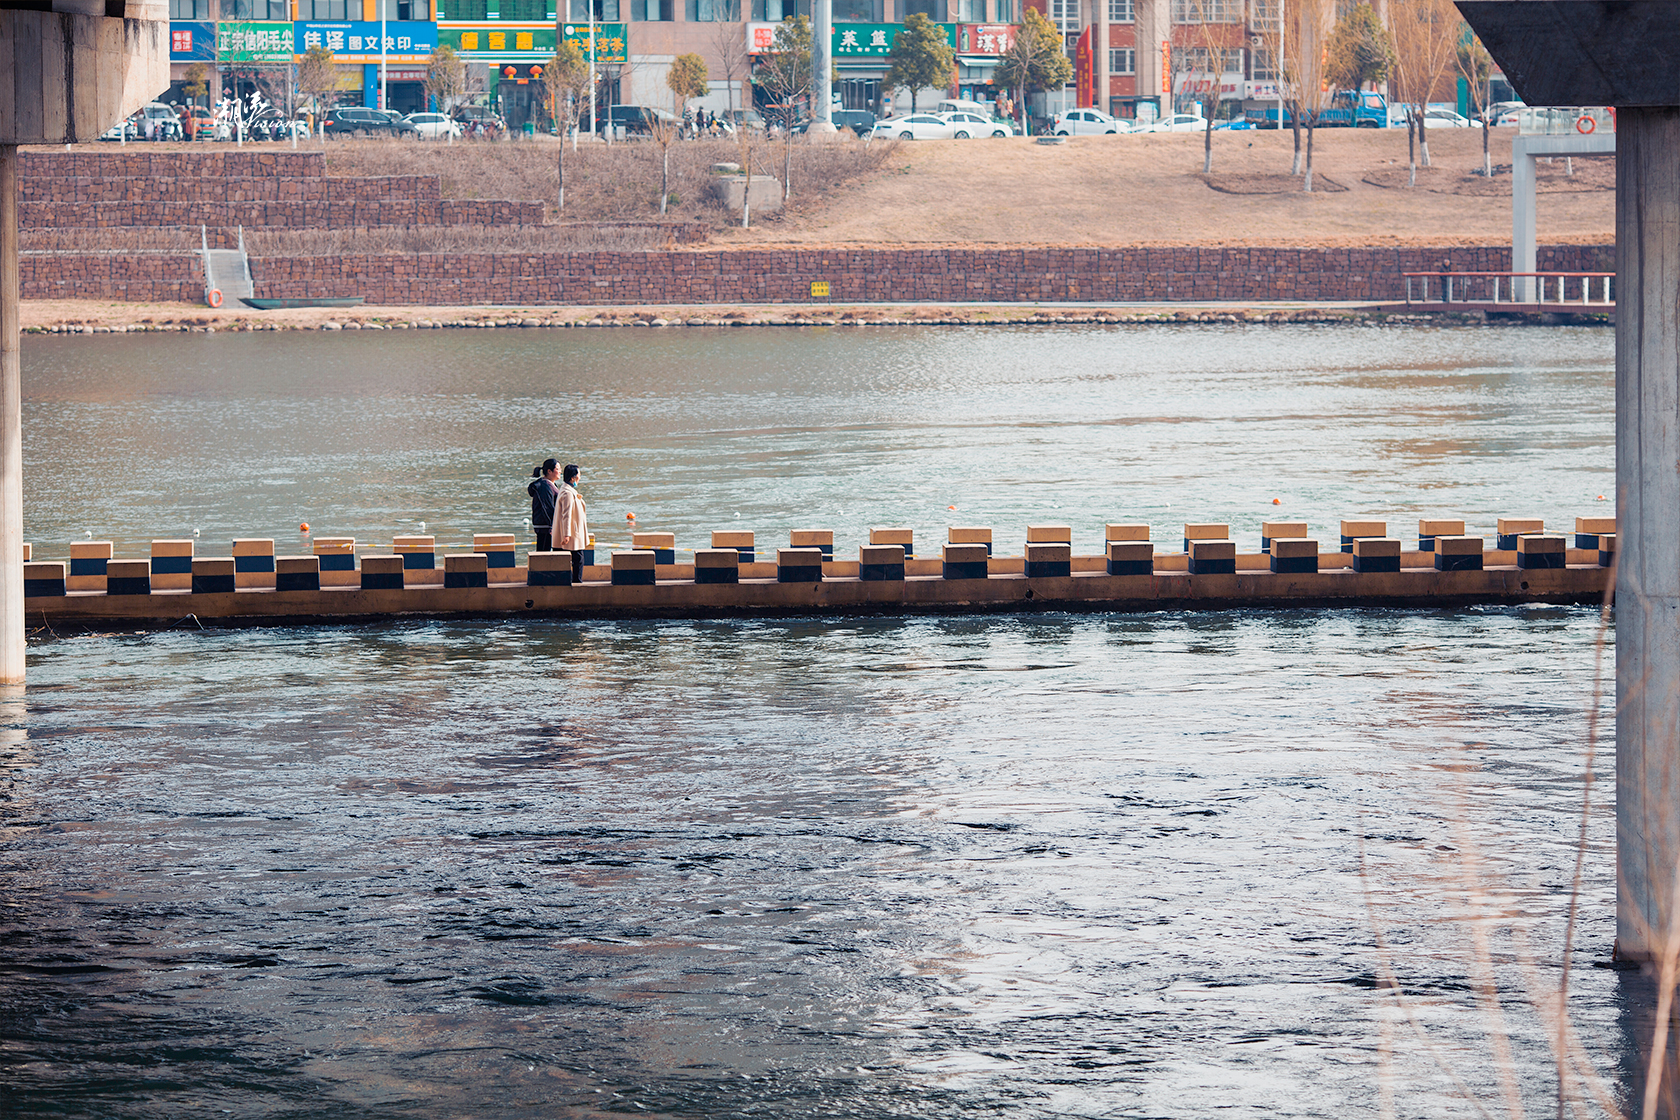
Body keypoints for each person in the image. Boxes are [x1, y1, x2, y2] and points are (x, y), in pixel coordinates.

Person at [552, 463, 588, 583]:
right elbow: (566, 514)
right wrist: (566, 534)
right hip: (571, 533)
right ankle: (577, 582)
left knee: (572, 558)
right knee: (578, 558)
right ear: (573, 477)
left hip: (571, 531)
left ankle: (572, 581)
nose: (580, 477)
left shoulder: (567, 490)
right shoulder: (568, 493)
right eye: (578, 475)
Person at [527, 458, 560, 553]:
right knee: (543, 554)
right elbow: (547, 507)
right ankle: (541, 568)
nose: (560, 472)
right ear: (549, 471)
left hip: (547, 525)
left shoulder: (551, 484)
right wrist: (551, 525)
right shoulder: (544, 486)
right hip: (545, 526)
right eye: (557, 469)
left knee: (545, 553)